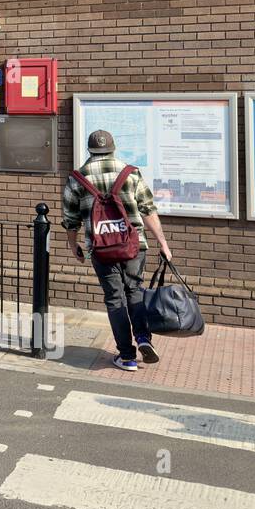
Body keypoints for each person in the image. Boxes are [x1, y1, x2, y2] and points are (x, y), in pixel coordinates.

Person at [62, 129, 173, 371]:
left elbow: (71, 218)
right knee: (135, 291)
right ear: (113, 148)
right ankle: (143, 338)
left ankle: (126, 356)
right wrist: (163, 243)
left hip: (101, 248)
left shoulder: (77, 178)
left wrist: (73, 245)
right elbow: (148, 209)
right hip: (134, 246)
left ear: (90, 150)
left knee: (114, 299)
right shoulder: (130, 173)